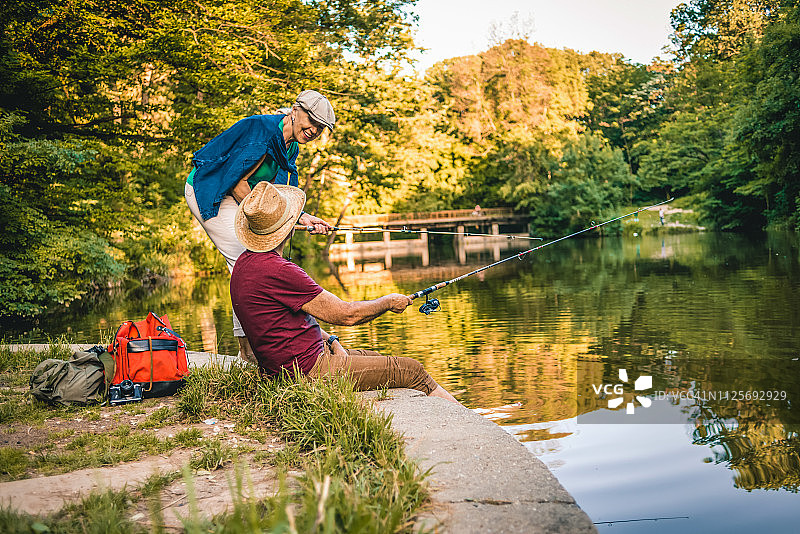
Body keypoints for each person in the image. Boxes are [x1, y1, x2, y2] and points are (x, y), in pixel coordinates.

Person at [229, 181, 461, 404]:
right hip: (306, 371)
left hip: (298, 362)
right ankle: (467, 422)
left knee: (379, 359)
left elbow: (286, 322)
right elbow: (346, 314)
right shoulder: (279, 270)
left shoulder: (244, 264)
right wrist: (388, 302)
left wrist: (332, 340)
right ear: (289, 226)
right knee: (412, 371)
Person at [185, 90, 334, 362]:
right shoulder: (261, 131)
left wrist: (302, 217)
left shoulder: (290, 146)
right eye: (312, 120)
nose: (314, 129)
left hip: (239, 194)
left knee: (260, 259)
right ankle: (248, 352)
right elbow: (237, 183)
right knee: (246, 260)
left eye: (321, 127)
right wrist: (279, 219)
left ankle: (259, 347)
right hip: (210, 188)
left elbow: (277, 194)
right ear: (295, 110)